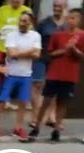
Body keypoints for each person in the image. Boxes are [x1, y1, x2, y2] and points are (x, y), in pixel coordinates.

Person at [29, 8, 84, 143]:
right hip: (54, 73)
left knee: (62, 103)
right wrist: (63, 51)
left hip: (69, 75)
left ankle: (56, 130)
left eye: (74, 18)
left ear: (79, 20)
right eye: (69, 18)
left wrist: (73, 49)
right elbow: (50, 53)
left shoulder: (82, 35)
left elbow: (81, 56)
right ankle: (36, 127)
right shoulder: (58, 35)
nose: (71, 21)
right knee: (46, 100)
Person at [0, 12, 41, 141]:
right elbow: (11, 54)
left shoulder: (35, 36)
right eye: (20, 20)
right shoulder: (11, 35)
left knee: (23, 103)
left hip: (25, 74)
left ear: (30, 22)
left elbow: (37, 55)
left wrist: (20, 53)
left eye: (25, 21)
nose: (22, 23)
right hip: (10, 73)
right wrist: (30, 51)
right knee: (1, 101)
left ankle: (18, 128)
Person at [30, 0, 67, 130]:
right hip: (42, 57)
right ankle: (35, 117)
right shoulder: (45, 23)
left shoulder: (68, 24)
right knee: (37, 85)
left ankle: (52, 117)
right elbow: (35, 37)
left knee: (54, 88)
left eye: (59, 6)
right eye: (55, 6)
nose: (56, 8)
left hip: (59, 60)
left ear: (65, 7)